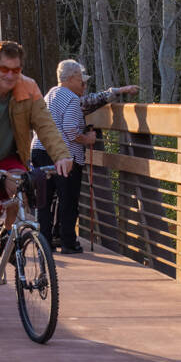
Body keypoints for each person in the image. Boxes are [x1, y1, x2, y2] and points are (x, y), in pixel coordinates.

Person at [0, 40, 73, 315]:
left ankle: (8, 235)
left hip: (7, 157)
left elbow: (46, 125)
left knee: (19, 187)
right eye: (4, 69)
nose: (9, 75)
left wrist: (62, 156)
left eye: (15, 70)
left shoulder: (28, 89)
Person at [31, 61, 138, 252]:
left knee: (44, 202)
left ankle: (44, 243)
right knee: (68, 200)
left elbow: (86, 104)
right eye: (82, 81)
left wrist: (117, 90)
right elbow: (71, 131)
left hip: (39, 150)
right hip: (64, 155)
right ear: (71, 79)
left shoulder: (49, 95)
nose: (84, 85)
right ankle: (68, 242)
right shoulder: (71, 99)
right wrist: (87, 138)